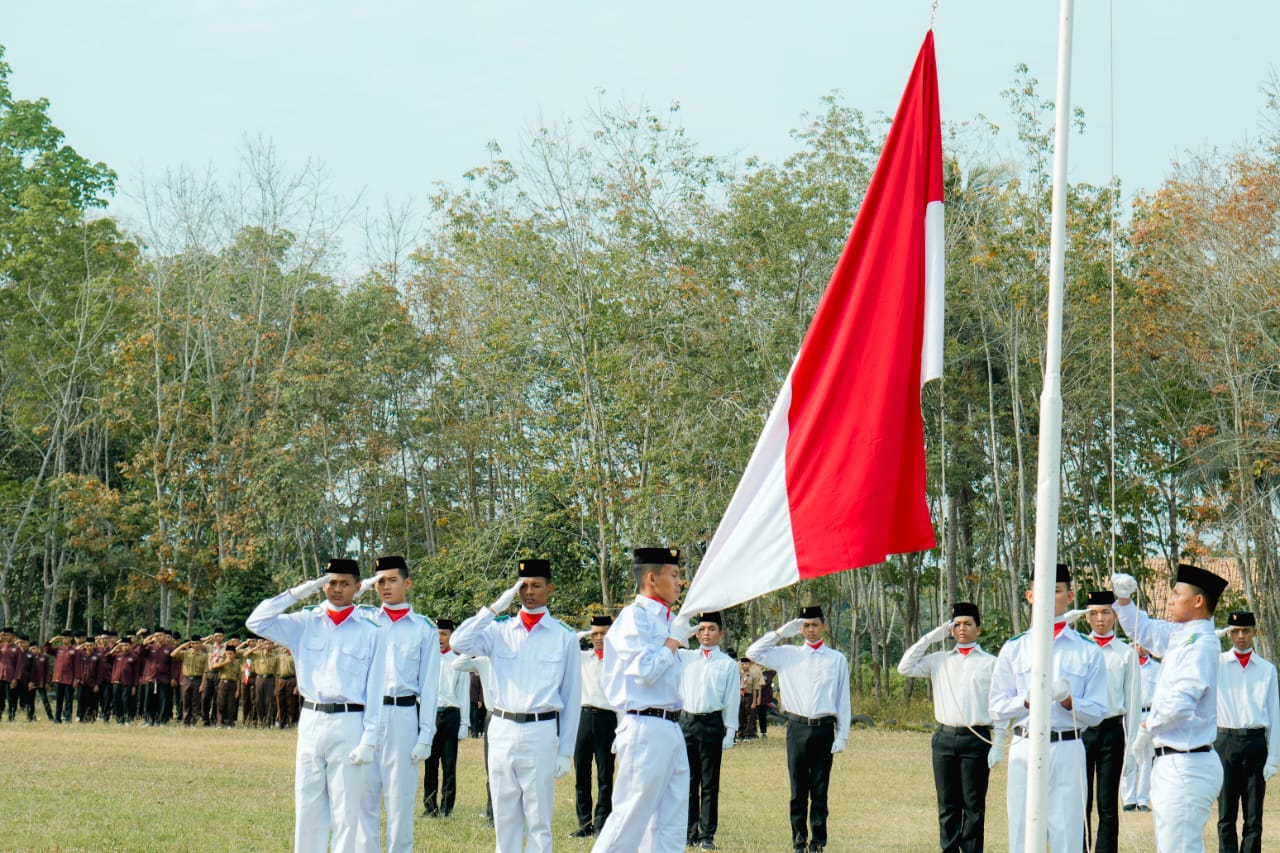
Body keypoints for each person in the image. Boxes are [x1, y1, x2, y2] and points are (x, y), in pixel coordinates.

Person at [246, 558, 387, 853]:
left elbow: (375, 690)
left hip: (350, 721)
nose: (337, 589)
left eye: (345, 583)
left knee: (347, 809)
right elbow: (256, 621)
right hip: (311, 718)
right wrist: (300, 592)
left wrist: (370, 738)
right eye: (331, 582)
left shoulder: (372, 630)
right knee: (308, 803)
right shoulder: (304, 622)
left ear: (358, 587)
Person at [451, 558, 580, 853]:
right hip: (503, 728)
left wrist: (566, 751)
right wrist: (494, 608)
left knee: (539, 821)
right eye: (523, 586)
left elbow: (572, 697)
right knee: (505, 817)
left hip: (541, 730)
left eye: (536, 586)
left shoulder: (564, 636)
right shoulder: (498, 630)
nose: (529, 592)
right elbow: (458, 642)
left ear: (550, 589)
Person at [988, 564, 1107, 853]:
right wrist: (1024, 701)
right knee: (1022, 833)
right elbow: (996, 707)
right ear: (1029, 596)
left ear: (1069, 596)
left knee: (1067, 835)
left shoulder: (1086, 649)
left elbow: (1098, 711)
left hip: (1067, 747)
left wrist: (1070, 702)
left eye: (1055, 591)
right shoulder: (1015, 648)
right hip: (1025, 745)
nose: (1047, 597)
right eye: (1040, 591)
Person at [1110, 563, 1227, 853]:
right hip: (1172, 762)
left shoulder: (1201, 644)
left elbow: (1181, 703)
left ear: (1198, 601)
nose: (1171, 600)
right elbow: (1145, 630)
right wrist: (1124, 601)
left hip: (1187, 763)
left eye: (1177, 594)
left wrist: (1149, 726)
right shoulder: (1182, 635)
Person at [591, 547, 693, 853]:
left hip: (671, 725)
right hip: (644, 724)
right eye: (673, 575)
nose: (680, 583)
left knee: (669, 825)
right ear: (651, 578)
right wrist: (673, 641)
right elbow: (645, 671)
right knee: (629, 819)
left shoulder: (667, 619)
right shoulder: (634, 618)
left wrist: (673, 634)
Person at [897, 601, 1006, 853]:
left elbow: (999, 705)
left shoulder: (991, 663)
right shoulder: (939, 660)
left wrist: (998, 743)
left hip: (976, 739)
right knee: (947, 805)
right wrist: (930, 637)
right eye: (956, 625)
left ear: (979, 628)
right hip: (944, 738)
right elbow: (905, 667)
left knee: (973, 806)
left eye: (968, 624)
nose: (962, 629)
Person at [747, 605, 852, 853]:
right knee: (798, 790)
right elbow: (753, 652)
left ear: (824, 626)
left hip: (824, 728)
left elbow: (843, 700)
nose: (810, 630)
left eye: (815, 624)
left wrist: (843, 735)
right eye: (805, 625)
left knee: (819, 790)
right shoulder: (787, 654)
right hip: (797, 727)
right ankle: (798, 841)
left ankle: (818, 842)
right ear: (799, 628)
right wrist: (780, 633)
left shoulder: (836, 659)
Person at [355, 554, 440, 853]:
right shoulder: (363, 620)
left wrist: (426, 734)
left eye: (392, 580)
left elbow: (430, 686)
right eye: (380, 581)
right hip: (366, 715)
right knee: (363, 799)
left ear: (407, 583)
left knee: (400, 801)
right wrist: (362, 586)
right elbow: (339, 605)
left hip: (403, 715)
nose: (385, 587)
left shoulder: (424, 629)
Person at [1081, 589, 1140, 853]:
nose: (1100, 619)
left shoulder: (1126, 654)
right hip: (1081, 730)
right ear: (1086, 618)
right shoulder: (1079, 649)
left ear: (1115, 615)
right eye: (1094, 613)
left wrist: (1132, 749)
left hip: (1111, 731)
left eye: (1106, 612)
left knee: (1107, 804)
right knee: (1080, 802)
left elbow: (1133, 704)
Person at [1215, 610, 1279, 853]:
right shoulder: (1217, 663)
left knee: (1253, 817)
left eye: (1245, 631)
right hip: (1225, 740)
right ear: (1228, 633)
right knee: (1225, 815)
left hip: (1254, 742)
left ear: (1255, 632)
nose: (1240, 636)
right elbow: (1193, 651)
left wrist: (1273, 758)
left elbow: (1274, 715)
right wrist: (1214, 635)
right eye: (1234, 631)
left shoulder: (1266, 669)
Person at [678, 611, 738, 851]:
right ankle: (689, 831)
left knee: (710, 782)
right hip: (686, 722)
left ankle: (707, 835)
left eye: (711, 629)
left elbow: (732, 699)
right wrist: (689, 630)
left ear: (720, 633)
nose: (706, 633)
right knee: (687, 781)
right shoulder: (685, 657)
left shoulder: (727, 664)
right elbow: (667, 642)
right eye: (701, 629)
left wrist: (731, 730)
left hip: (711, 723)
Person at [573, 614, 617, 839]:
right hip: (583, 717)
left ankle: (602, 822)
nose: (599, 638)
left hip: (607, 718)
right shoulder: (583, 658)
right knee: (581, 773)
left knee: (605, 774)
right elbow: (568, 641)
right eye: (595, 634)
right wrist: (584, 633)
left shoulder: (619, 661)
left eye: (604, 633)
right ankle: (584, 823)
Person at [422, 617, 468, 819]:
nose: (439, 638)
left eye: (444, 634)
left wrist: (464, 723)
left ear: (451, 636)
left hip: (450, 715)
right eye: (436, 634)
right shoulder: (426, 660)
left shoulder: (458, 661)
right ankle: (429, 806)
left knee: (449, 764)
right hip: (430, 714)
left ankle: (446, 808)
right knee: (430, 763)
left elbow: (464, 694)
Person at [1120, 642, 1160, 813]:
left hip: (1148, 714)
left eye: (1144, 644)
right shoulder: (1127, 664)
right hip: (1130, 714)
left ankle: (1143, 799)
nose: (1140, 647)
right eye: (1136, 643)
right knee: (1128, 754)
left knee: (1145, 757)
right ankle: (1128, 798)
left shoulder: (1157, 668)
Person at [50, 632, 79, 723]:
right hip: (58, 678)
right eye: (63, 637)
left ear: (71, 638)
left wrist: (76, 679)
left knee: (68, 700)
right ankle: (57, 719)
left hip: (69, 679)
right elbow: (47, 649)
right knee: (59, 700)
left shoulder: (74, 650)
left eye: (66, 637)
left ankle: (68, 718)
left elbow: (77, 666)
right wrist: (53, 640)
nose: (64, 639)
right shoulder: (59, 649)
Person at [737, 658, 761, 741]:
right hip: (740, 696)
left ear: (750, 665)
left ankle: (748, 734)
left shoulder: (753, 676)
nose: (744, 665)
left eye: (746, 664)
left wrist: (754, 701)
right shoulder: (738, 675)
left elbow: (755, 690)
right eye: (743, 664)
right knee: (740, 715)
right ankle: (740, 733)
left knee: (750, 715)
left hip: (749, 696)